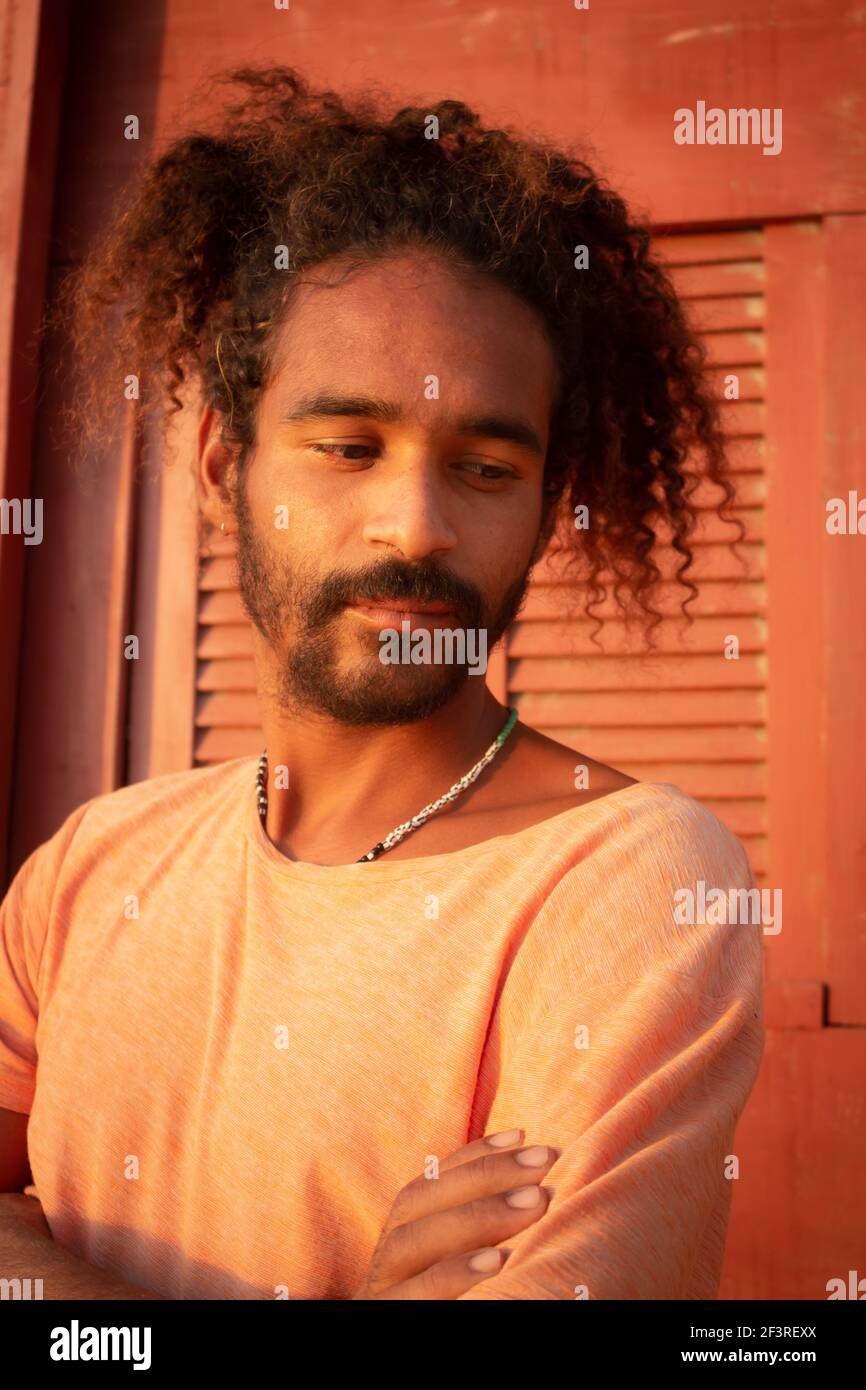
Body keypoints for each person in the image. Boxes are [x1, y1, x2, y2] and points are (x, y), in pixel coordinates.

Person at [0, 67, 764, 1300]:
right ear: (222, 462)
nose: (412, 527)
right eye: (348, 448)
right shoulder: (92, 869)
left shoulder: (626, 876)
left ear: (546, 507)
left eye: (481, 467)